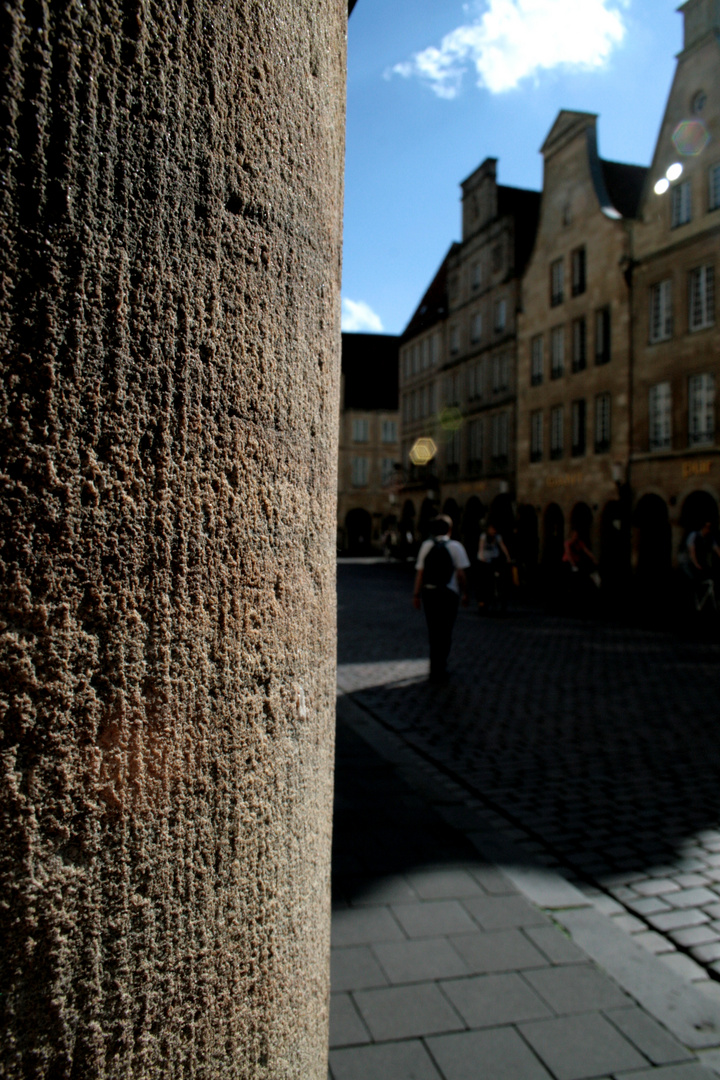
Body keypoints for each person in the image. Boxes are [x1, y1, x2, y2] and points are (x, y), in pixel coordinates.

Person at [413, 516, 470, 682]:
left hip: (429, 593)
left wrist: (416, 594)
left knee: (433, 630)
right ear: (450, 530)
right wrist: (465, 593)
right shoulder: (455, 546)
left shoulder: (426, 545)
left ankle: (433, 667)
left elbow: (420, 573)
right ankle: (442, 665)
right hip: (448, 593)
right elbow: (461, 573)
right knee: (446, 630)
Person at [477, 523, 511, 610]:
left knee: (498, 577)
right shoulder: (484, 536)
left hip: (494, 558)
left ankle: (498, 597)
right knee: (485, 579)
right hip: (485, 559)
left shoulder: (497, 537)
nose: (493, 531)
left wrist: (507, 557)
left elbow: (502, 546)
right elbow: (481, 547)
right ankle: (484, 600)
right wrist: (481, 557)